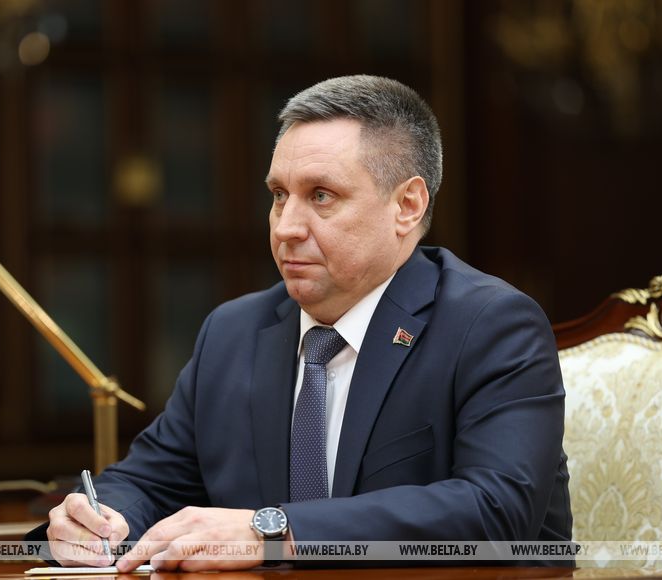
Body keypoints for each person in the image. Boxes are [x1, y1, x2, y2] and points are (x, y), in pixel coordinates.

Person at [28, 75, 572, 572]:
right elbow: (150, 480)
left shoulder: (491, 325)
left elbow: (498, 511)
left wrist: (273, 532)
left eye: (321, 196)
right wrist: (102, 521)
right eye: (279, 196)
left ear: (407, 205)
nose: (286, 227)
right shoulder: (233, 332)